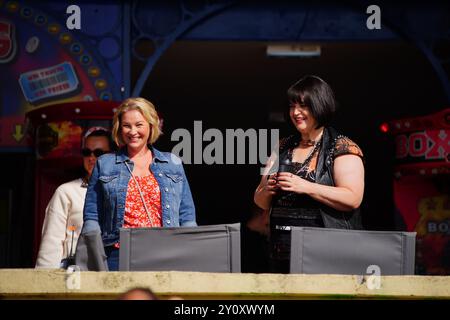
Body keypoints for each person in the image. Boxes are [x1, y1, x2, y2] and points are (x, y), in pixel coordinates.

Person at [254, 75, 365, 273]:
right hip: (281, 251)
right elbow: (259, 200)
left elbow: (353, 198)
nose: (295, 112)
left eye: (303, 106)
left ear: (320, 105)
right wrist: (267, 189)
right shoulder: (280, 147)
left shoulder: (343, 147)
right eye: (292, 106)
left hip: (328, 253)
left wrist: (305, 186)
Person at [82, 97, 197, 271]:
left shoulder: (172, 163)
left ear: (151, 126)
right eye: (127, 125)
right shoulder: (105, 164)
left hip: (167, 253)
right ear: (119, 129)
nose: (132, 131)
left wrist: (190, 257)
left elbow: (187, 216)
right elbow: (92, 216)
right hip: (117, 255)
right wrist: (96, 261)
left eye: (139, 125)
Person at [35, 127, 113, 268]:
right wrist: (44, 282)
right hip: (75, 277)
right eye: (86, 152)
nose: (91, 158)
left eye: (99, 153)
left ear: (113, 156)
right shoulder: (66, 192)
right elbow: (51, 243)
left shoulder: (123, 192)